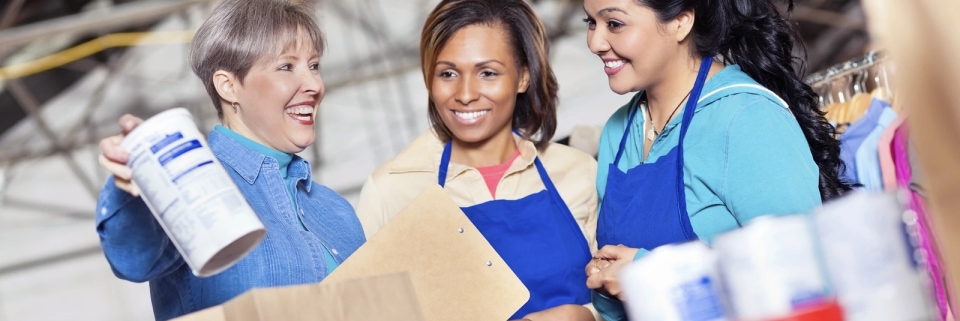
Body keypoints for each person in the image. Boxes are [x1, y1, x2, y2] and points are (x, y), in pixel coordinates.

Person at [579, 0, 853, 319]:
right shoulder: (619, 130)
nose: (595, 43)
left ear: (681, 21)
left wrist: (649, 275)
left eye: (614, 24)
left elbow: (805, 280)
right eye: (591, 22)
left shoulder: (746, 118)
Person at [95, 0, 365, 319]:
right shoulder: (191, 185)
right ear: (228, 86)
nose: (315, 85)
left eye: (315, 65)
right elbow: (135, 257)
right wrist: (138, 179)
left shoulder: (336, 211)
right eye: (287, 67)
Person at [355, 0, 600, 320]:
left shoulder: (577, 173)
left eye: (487, 72)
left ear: (523, 76)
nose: (466, 93)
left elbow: (618, 296)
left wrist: (585, 316)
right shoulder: (392, 189)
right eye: (448, 73)